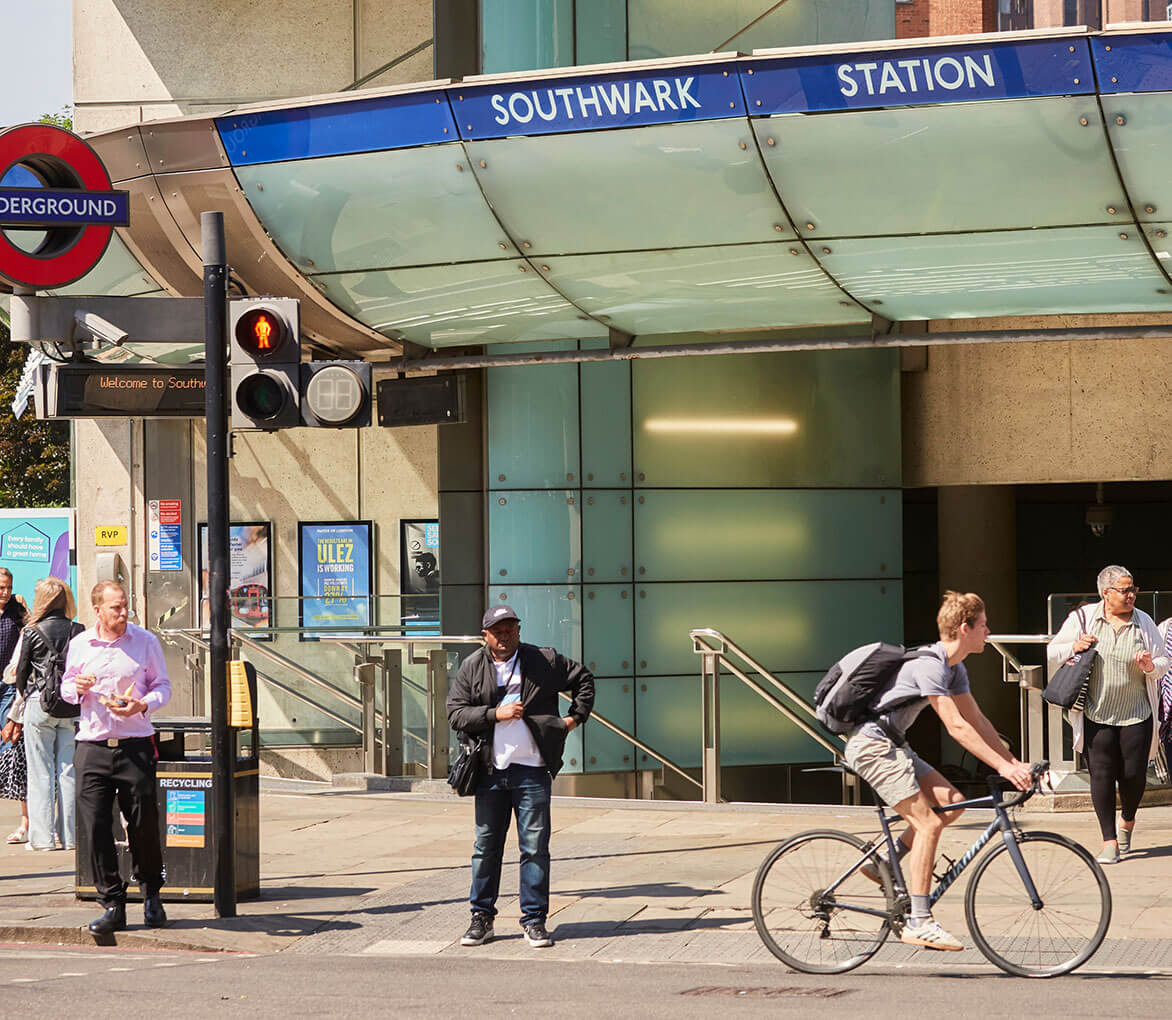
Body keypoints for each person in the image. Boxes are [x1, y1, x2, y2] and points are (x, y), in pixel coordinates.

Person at [845, 590, 1032, 952]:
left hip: (894, 745)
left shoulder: (955, 668)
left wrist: (1013, 762)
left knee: (952, 802)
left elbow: (976, 720)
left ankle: (883, 863)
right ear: (964, 628)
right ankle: (919, 921)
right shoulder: (930, 665)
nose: (988, 631)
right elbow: (956, 726)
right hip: (872, 747)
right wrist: (1002, 768)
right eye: (983, 625)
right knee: (928, 824)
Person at [447, 604, 594, 949]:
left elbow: (583, 679)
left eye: (510, 630)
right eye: (497, 632)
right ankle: (481, 918)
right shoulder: (472, 666)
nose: (505, 637)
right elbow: (456, 713)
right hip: (490, 772)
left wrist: (573, 719)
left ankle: (534, 920)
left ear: (518, 631)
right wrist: (494, 714)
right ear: (485, 635)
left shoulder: (542, 660)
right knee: (486, 848)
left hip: (532, 770)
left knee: (535, 848)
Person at [61, 581, 171, 935]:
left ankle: (151, 894)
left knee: (142, 823)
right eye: (116, 608)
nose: (124, 614)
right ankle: (111, 902)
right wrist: (76, 688)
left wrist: (143, 704)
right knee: (94, 826)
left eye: (125, 606)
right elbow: (66, 687)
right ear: (97, 610)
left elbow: (163, 686)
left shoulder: (145, 641)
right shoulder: (80, 644)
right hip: (92, 745)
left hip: (134, 745)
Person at [1048, 566, 1167, 864]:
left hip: (1137, 713)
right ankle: (1109, 841)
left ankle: (1127, 820)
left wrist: (1150, 666)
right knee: (1100, 775)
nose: (1131, 596)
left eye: (1132, 590)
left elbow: (1164, 662)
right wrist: (1074, 646)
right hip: (1095, 713)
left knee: (1133, 775)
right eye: (1124, 590)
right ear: (1106, 593)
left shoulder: (1143, 621)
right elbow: (1052, 652)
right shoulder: (1084, 618)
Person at [14, 577, 81, 852]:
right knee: (69, 770)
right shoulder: (78, 630)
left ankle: (42, 839)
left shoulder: (32, 631)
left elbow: (21, 673)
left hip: (39, 704)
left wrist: (27, 694)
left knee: (40, 772)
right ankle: (70, 836)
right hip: (71, 705)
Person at [0, 570, 28, 843]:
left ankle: (6, 782)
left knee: (8, 734)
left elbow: (31, 629)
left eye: (8, 587)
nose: (5, 592)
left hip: (8, 684)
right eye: (1, 588)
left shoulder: (16, 610)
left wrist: (24, 607)